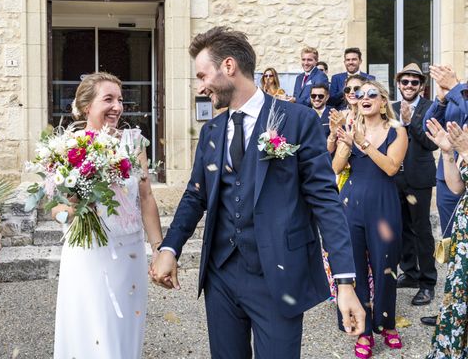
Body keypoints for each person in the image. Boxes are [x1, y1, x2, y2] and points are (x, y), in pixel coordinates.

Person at [151, 27, 364, 359]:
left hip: (277, 274)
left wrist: (345, 283)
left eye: (203, 75)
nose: (200, 85)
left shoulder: (298, 120)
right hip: (220, 275)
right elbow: (196, 195)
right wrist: (169, 247)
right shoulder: (211, 131)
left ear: (230, 67)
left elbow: (325, 201)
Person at [52, 72, 163, 359]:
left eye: (120, 100)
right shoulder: (69, 145)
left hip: (129, 251)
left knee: (124, 325)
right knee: (94, 327)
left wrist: (158, 249)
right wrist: (68, 210)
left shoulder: (134, 142)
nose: (117, 106)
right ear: (87, 106)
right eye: (108, 99)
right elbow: (59, 204)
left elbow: (146, 196)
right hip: (89, 250)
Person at [333, 81, 407, 357]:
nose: (365, 97)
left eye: (371, 94)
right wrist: (344, 142)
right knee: (356, 271)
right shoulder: (352, 129)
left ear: (383, 101)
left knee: (385, 266)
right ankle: (363, 331)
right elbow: (335, 167)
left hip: (384, 204)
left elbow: (391, 167)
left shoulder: (397, 130)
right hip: (351, 205)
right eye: (360, 94)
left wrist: (363, 143)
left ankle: (386, 323)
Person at [421, 64, 468, 326]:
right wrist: (440, 97)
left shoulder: (462, 93)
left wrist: (456, 86)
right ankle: (450, 310)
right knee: (451, 245)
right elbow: (429, 125)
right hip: (450, 179)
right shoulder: (453, 95)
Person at [391, 64, 437, 307]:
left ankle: (427, 282)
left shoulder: (431, 108)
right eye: (405, 82)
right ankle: (409, 272)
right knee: (401, 228)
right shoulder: (392, 108)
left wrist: (410, 124)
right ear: (398, 84)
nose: (409, 86)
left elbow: (432, 144)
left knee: (421, 230)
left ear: (421, 86)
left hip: (419, 179)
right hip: (394, 177)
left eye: (414, 83)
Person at [424, 118, 468, 358]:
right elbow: (457, 187)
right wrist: (448, 153)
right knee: (461, 293)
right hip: (465, 235)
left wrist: (466, 152)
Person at [326, 74, 367, 155]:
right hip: (340, 164)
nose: (351, 92)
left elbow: (368, 150)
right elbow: (329, 151)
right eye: (348, 89)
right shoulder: (342, 114)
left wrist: (344, 126)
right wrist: (333, 134)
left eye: (357, 89)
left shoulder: (369, 115)